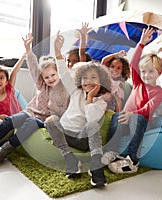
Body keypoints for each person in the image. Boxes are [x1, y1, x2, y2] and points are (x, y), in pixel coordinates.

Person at [0, 33, 70, 165]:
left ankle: (3, 151)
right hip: (30, 112)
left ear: (58, 73)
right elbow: (34, 68)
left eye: (53, 75)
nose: (50, 79)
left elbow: (63, 114)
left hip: (43, 120)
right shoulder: (42, 85)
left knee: (30, 123)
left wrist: (54, 108)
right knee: (10, 120)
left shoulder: (65, 90)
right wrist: (28, 50)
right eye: (47, 77)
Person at [45, 31, 112, 188]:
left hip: (83, 139)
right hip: (66, 134)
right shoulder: (75, 90)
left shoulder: (101, 101)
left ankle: (96, 168)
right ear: (79, 80)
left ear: (101, 81)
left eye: (94, 78)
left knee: (93, 125)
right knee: (50, 120)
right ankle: (71, 160)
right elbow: (62, 70)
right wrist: (57, 51)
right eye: (85, 78)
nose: (88, 82)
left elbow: (92, 120)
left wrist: (90, 98)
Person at [102, 27, 162, 173]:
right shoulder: (138, 82)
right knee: (117, 116)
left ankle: (132, 159)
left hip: (140, 122)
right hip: (125, 120)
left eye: (151, 71)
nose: (146, 75)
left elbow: (148, 108)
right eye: (143, 71)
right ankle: (111, 151)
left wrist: (132, 114)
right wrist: (141, 43)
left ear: (159, 73)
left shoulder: (159, 92)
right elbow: (133, 63)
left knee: (137, 117)